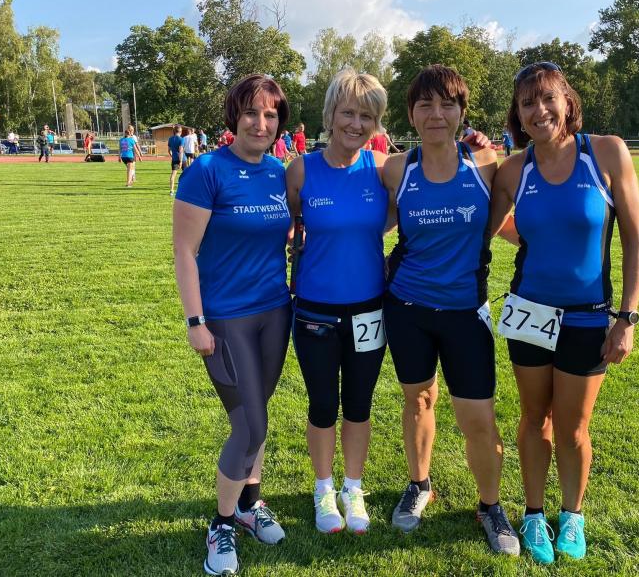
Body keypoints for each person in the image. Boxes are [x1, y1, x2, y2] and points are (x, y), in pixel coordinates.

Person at [488, 61, 639, 564]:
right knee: (535, 418)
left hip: (588, 316)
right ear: (517, 115)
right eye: (527, 103)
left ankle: (572, 514)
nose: (539, 111)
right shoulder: (514, 170)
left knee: (573, 427)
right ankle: (534, 513)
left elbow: (635, 241)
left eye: (547, 98)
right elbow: (484, 229)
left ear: (567, 102)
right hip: (529, 314)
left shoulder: (606, 153)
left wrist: (627, 318)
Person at [383, 64, 520, 556]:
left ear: (462, 111)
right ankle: (419, 484)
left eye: (447, 104)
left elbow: (511, 224)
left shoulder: (485, 163)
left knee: (478, 417)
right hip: (407, 308)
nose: (436, 114)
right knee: (418, 400)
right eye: (425, 105)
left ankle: (490, 506)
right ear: (411, 115)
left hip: (466, 311)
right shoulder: (396, 169)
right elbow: (365, 222)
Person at [173, 74, 291, 576]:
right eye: (251, 112)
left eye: (270, 115)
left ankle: (248, 504)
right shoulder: (206, 170)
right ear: (234, 117)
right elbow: (184, 251)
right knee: (249, 424)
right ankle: (221, 523)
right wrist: (195, 321)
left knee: (257, 414)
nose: (260, 123)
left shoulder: (279, 172)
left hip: (275, 313)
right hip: (225, 319)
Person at [285, 69, 391, 536]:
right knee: (323, 403)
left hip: (369, 307)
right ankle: (323, 488)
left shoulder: (384, 169)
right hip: (315, 309)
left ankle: (353, 487)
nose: (356, 124)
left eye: (367, 116)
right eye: (348, 112)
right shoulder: (301, 170)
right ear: (330, 115)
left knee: (360, 403)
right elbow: (289, 225)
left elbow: (394, 216)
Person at [168, 125, 184, 196]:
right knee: (186, 174)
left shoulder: (170, 139)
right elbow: (181, 151)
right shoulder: (181, 139)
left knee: (173, 175)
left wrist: (172, 156)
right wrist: (181, 161)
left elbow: (169, 150)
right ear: (180, 131)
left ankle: (171, 191)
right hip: (182, 159)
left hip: (174, 159)